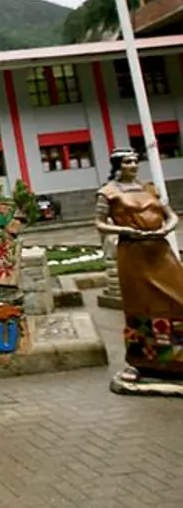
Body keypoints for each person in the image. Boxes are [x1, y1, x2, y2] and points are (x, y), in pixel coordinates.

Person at [95, 147, 183, 387]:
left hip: (160, 250)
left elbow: (171, 215)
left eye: (135, 161)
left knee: (178, 298)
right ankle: (146, 360)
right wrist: (124, 230)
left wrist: (168, 227)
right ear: (117, 165)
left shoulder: (149, 188)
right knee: (142, 306)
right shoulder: (108, 193)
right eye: (127, 162)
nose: (133, 165)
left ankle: (178, 357)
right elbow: (99, 223)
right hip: (133, 253)